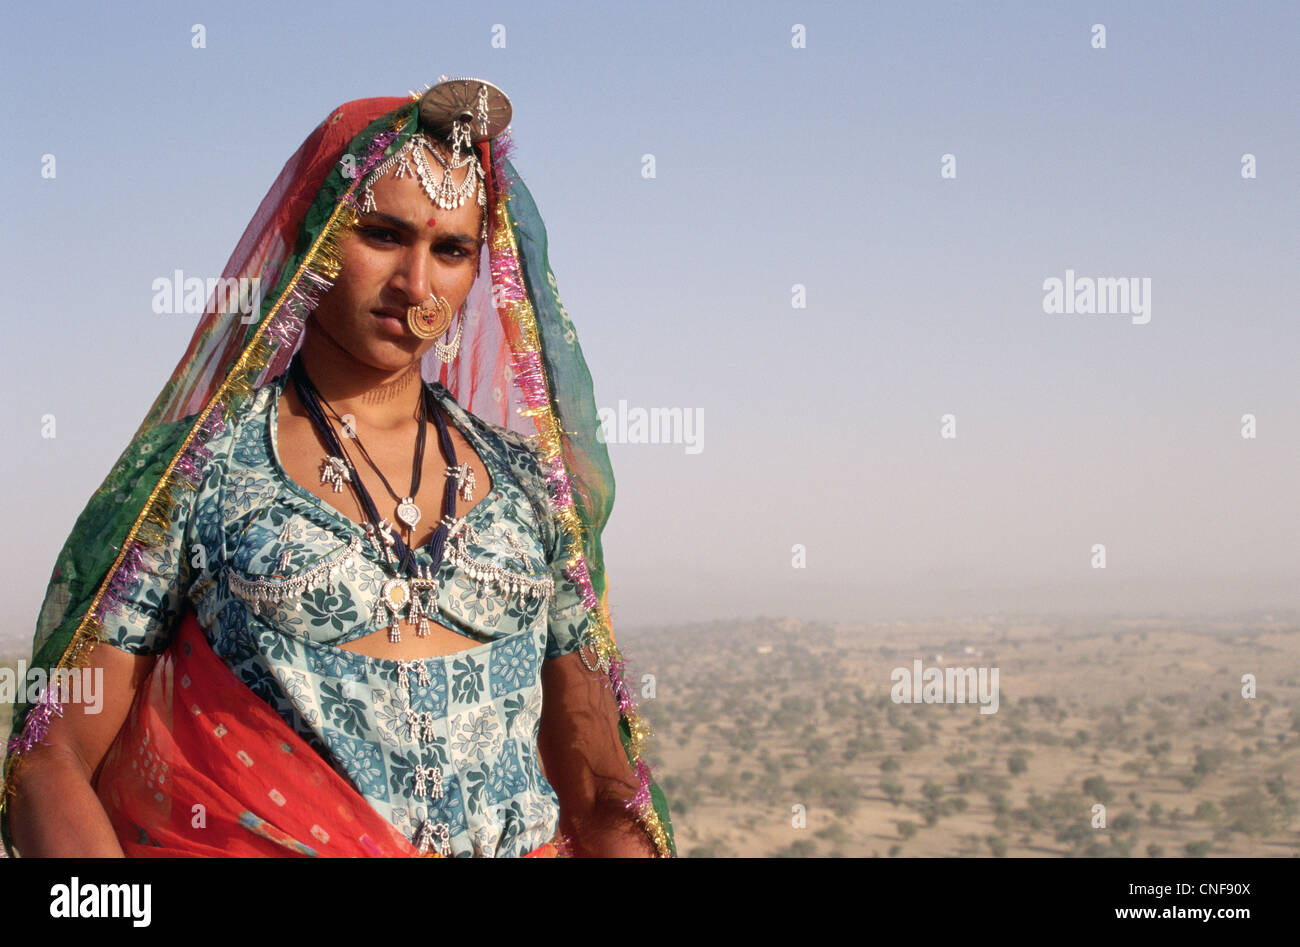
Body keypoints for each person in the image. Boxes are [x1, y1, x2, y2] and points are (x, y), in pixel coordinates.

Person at [1, 78, 675, 858]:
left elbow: (597, 790)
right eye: (383, 234)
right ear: (313, 235)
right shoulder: (197, 473)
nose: (416, 286)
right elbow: (51, 754)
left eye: (451, 249)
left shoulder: (533, 489)